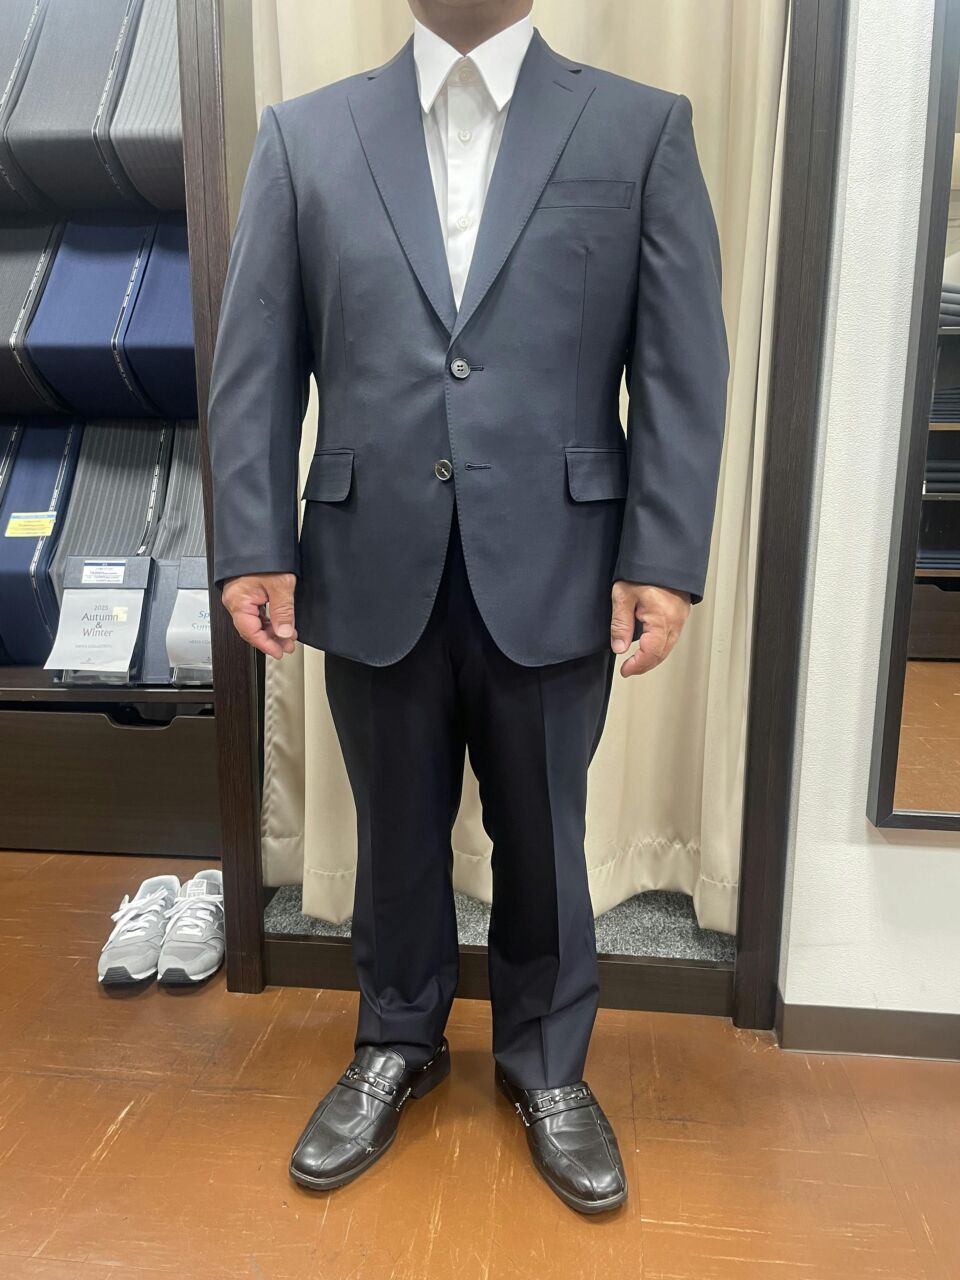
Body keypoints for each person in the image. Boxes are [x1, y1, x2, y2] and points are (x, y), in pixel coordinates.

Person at [207, 0, 728, 1215]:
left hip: (557, 559)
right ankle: (396, 1036)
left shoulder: (640, 129)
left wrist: (662, 555)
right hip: (369, 554)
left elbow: (680, 362)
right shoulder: (303, 136)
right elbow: (257, 361)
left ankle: (547, 1061)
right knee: (392, 825)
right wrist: (251, 543)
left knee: (545, 829)